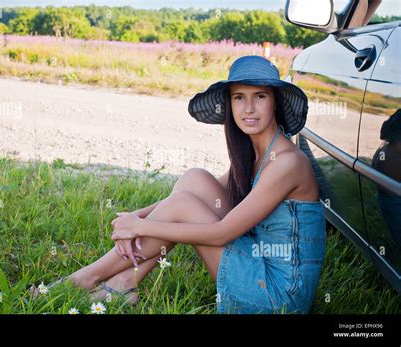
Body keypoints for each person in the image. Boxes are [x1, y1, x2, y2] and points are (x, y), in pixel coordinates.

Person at [68, 55, 326, 313]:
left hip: (277, 296)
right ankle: (125, 281)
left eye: (259, 96)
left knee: (182, 206)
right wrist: (135, 217)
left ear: (275, 103)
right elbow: (199, 193)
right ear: (230, 103)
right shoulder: (259, 153)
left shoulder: (286, 163)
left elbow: (223, 233)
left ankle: (84, 279)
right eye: (238, 97)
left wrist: (140, 226)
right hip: (259, 262)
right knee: (195, 179)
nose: (248, 108)